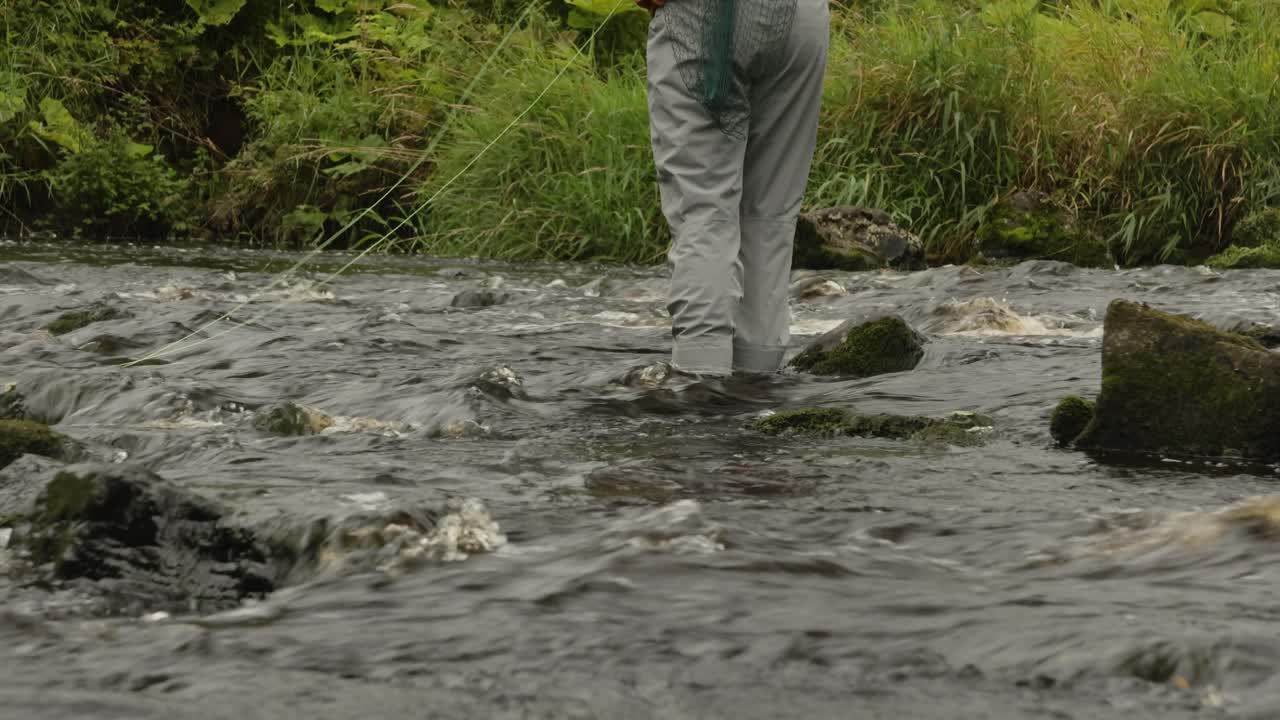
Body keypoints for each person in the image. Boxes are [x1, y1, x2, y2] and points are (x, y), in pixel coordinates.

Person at [639, 0, 829, 377]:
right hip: (801, 16)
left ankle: (701, 389)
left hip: (702, 19)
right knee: (770, 217)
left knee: (704, 211)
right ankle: (757, 389)